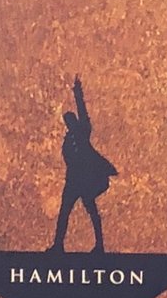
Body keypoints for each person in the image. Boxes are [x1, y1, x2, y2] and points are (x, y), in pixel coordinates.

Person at [48, 76, 118, 255]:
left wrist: (78, 93)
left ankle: (99, 245)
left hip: (86, 179)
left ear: (75, 121)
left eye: (71, 120)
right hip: (73, 180)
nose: (69, 123)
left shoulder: (83, 131)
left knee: (92, 211)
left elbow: (82, 111)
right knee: (64, 213)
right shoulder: (68, 140)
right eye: (67, 121)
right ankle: (58, 245)